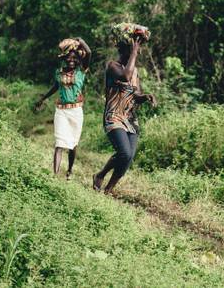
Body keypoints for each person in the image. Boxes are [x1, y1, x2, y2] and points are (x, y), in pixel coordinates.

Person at [92, 24, 156, 195]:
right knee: (124, 152)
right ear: (124, 49)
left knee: (128, 157)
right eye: (134, 47)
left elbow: (135, 94)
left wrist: (145, 97)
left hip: (130, 118)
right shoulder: (112, 66)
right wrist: (134, 52)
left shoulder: (135, 71)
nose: (138, 50)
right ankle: (100, 175)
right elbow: (124, 76)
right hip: (113, 116)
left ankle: (108, 189)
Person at [35, 38, 91, 180]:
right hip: (61, 111)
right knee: (59, 143)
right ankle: (54, 176)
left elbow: (89, 52)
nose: (71, 60)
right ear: (64, 58)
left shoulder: (81, 71)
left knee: (73, 145)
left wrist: (80, 41)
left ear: (78, 59)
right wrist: (43, 98)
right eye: (68, 57)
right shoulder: (59, 72)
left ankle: (69, 171)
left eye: (74, 57)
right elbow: (56, 87)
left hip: (76, 111)